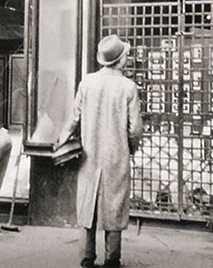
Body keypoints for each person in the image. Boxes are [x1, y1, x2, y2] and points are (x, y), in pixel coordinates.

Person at [55, 34, 144, 268]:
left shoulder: (87, 83)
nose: (127, 58)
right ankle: (112, 260)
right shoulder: (128, 87)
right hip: (116, 157)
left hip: (89, 156)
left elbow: (73, 119)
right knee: (114, 208)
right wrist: (131, 148)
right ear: (120, 60)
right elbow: (135, 128)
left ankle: (86, 259)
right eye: (125, 55)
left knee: (88, 207)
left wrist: (62, 142)